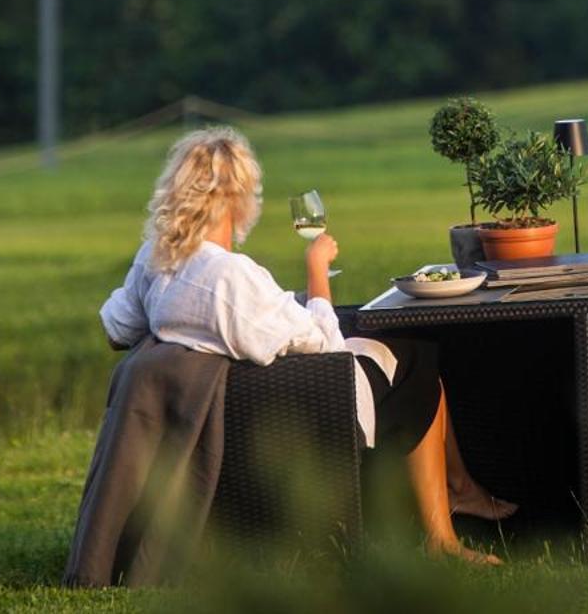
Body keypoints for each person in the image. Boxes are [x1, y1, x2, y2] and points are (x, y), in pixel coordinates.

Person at [98, 125, 514, 564]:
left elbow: (116, 329)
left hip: (236, 400)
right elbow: (327, 348)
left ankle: (460, 490)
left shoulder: (157, 259)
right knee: (416, 362)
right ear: (236, 199)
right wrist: (317, 271)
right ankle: (443, 536)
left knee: (397, 353)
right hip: (307, 398)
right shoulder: (230, 276)